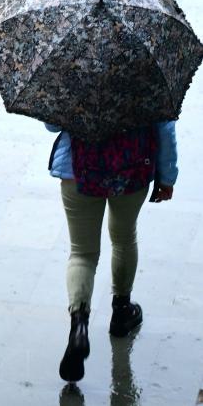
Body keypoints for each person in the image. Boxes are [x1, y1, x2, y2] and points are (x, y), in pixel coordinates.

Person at [47, 121, 177, 383]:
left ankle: (79, 325)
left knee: (82, 253)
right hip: (133, 166)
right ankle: (121, 311)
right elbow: (165, 127)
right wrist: (167, 176)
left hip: (78, 168)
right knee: (124, 239)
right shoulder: (147, 79)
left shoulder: (74, 78)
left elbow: (52, 124)